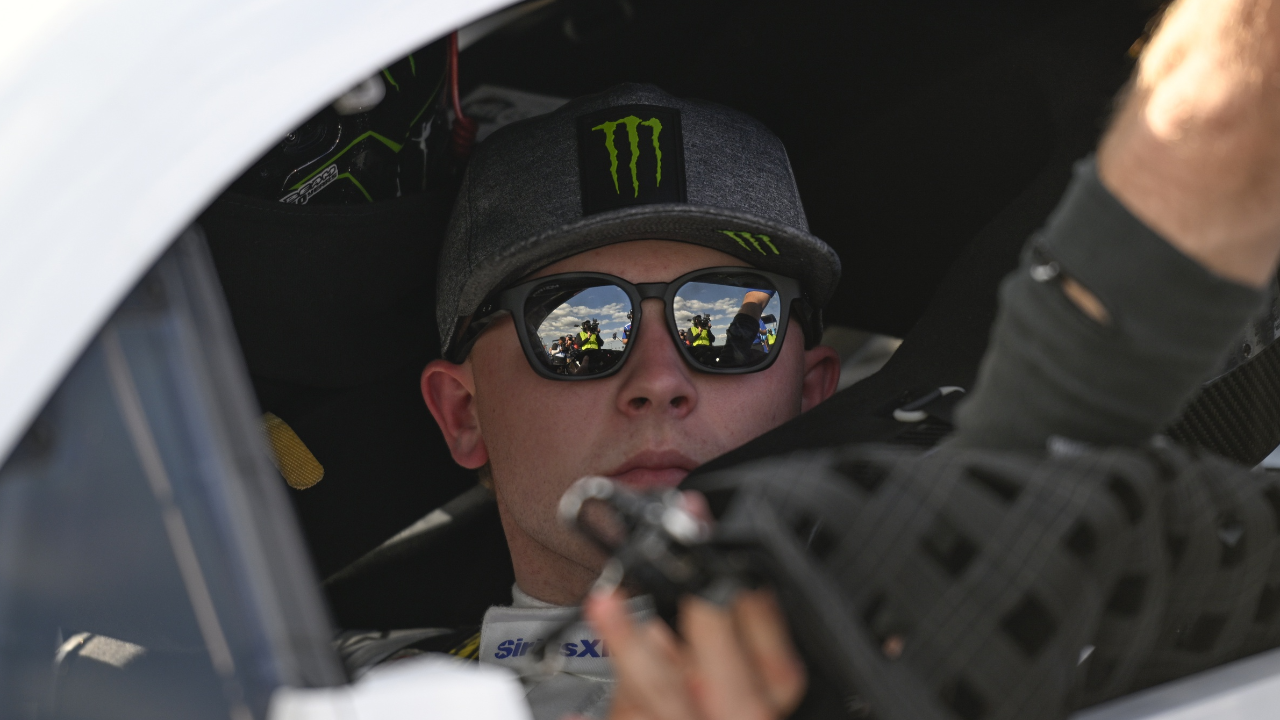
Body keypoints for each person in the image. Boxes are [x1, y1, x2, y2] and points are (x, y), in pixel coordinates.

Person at [419, 83, 841, 719]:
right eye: (577, 328)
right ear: (462, 413)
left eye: (727, 325)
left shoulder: (974, 668)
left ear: (811, 398)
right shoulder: (332, 695)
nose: (659, 380)